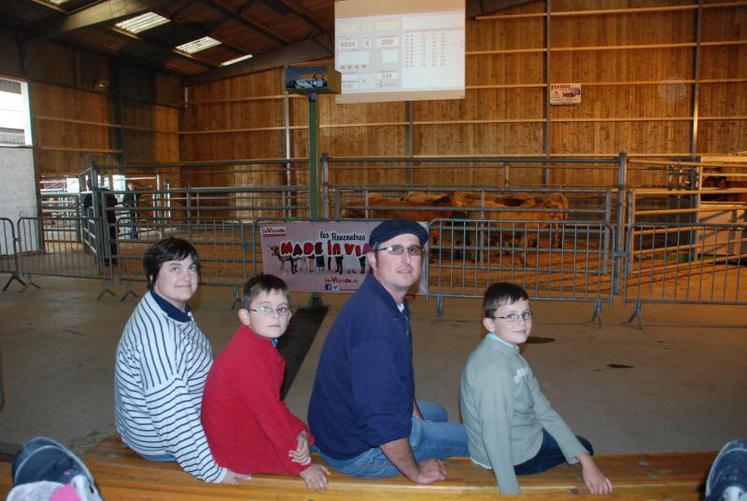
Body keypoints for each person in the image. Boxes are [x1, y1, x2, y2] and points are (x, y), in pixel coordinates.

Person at [308, 219, 468, 484]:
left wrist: (414, 413)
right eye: (394, 250)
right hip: (357, 452)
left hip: (340, 424)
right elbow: (381, 421)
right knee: (481, 440)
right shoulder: (374, 322)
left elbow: (398, 374)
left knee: (436, 413)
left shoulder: (390, 303)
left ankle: (421, 430)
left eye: (413, 250)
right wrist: (416, 472)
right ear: (372, 259)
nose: (406, 259)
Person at [113, 237, 248, 484]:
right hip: (159, 441)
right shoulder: (158, 336)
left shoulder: (168, 306)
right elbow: (173, 416)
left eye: (191, 268)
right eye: (175, 268)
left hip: (159, 425)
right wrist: (212, 472)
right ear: (153, 277)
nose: (187, 276)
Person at [460, 282, 613, 495]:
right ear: (490, 324)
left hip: (521, 435)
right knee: (584, 445)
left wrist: (586, 462)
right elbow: (495, 434)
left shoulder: (510, 353)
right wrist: (510, 491)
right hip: (516, 456)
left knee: (580, 450)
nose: (522, 322)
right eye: (510, 316)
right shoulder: (494, 369)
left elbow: (543, 409)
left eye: (526, 314)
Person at [201, 274, 330, 489]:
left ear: (290, 317)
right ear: (244, 316)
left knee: (308, 439)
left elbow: (273, 404)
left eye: (282, 309)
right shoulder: (249, 357)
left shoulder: (258, 345)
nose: (275, 316)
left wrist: (300, 431)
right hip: (234, 451)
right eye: (264, 308)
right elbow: (269, 415)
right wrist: (302, 467)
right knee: (316, 454)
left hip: (241, 431)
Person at [81, 179, 119, 264]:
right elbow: (115, 201)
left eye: (88, 185)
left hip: (100, 221)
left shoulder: (90, 195)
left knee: (102, 239)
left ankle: (106, 258)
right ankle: (113, 258)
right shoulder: (106, 191)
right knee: (111, 239)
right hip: (110, 219)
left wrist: (97, 204)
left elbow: (85, 205)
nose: (88, 186)